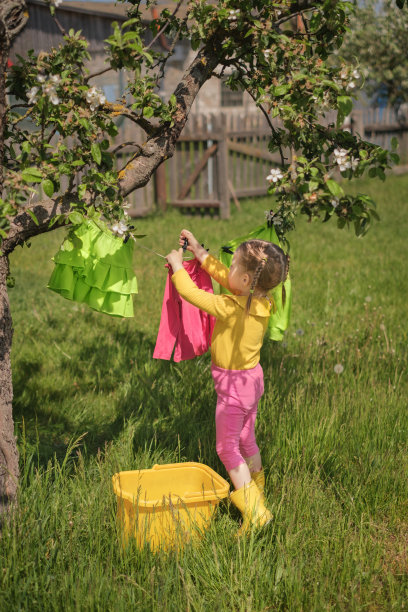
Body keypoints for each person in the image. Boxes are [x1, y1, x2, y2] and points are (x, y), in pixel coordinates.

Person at [166, 229, 290, 534]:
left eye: (233, 265)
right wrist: (199, 251)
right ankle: (257, 485)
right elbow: (227, 277)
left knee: (226, 447)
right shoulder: (261, 302)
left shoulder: (231, 307)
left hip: (233, 390)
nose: (228, 270)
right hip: (252, 382)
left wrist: (179, 267)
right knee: (247, 438)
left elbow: (193, 295)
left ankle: (257, 511)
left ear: (247, 281)